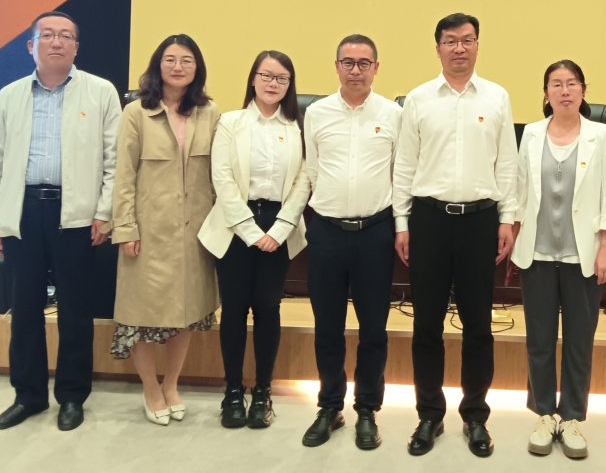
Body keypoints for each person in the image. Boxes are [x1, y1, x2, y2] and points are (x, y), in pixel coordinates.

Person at [0, 11, 121, 431]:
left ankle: (72, 396)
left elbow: (115, 160)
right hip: (22, 211)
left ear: (77, 46)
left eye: (65, 36)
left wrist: (104, 212)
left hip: (76, 214)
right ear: (31, 45)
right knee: (24, 309)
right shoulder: (10, 95)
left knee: (76, 310)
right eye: (48, 35)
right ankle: (29, 395)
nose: (56, 42)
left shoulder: (100, 92)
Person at [393, 12, 518, 458]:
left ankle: (475, 416)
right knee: (426, 323)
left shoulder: (498, 97)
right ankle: (429, 414)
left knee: (478, 324)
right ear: (438, 48)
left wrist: (507, 219)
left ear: (478, 45)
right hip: (429, 220)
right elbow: (405, 164)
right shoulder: (418, 99)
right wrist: (402, 222)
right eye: (450, 40)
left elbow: (507, 164)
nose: (459, 48)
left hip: (480, 222)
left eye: (467, 40)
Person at [509, 60, 606, 459]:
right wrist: (512, 232)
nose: (565, 90)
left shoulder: (601, 135)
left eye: (572, 83)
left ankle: (571, 417)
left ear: (583, 91)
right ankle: (544, 414)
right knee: (538, 341)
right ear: (546, 93)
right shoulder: (531, 134)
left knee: (578, 342)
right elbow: (520, 190)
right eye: (556, 84)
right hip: (537, 253)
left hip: (583, 256)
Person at [109, 34, 220, 426]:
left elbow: (218, 173)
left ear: (197, 68)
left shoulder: (209, 112)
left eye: (187, 60)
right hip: (148, 232)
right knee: (141, 314)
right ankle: (150, 389)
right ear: (158, 65)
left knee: (185, 313)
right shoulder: (136, 112)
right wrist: (125, 228)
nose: (178, 67)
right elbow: (124, 176)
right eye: (170, 59)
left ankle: (171, 384)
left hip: (195, 233)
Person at [299, 34, 402, 450]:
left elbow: (400, 173)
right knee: (327, 327)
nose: (355, 70)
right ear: (336, 65)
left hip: (376, 232)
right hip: (326, 232)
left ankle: (367, 410)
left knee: (374, 328)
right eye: (348, 62)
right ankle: (329, 407)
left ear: (376, 67)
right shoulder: (317, 113)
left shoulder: (393, 114)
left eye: (364, 63)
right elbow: (312, 170)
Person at [199, 50, 310, 429]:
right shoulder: (230, 122)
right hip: (234, 225)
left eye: (281, 78)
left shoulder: (298, 127)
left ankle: (263, 392)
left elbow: (304, 180)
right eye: (266, 75)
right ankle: (232, 391)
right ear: (253, 78)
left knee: (268, 308)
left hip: (280, 226)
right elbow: (222, 178)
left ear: (289, 84)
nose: (273, 83)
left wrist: (279, 230)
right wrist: (249, 231)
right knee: (233, 309)